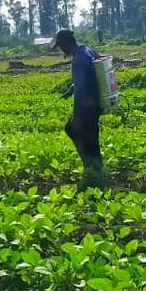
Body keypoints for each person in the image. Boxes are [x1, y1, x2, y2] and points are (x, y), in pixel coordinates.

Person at [52, 29, 104, 184]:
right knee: (91, 134)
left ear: (67, 42)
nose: (61, 50)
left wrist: (76, 115)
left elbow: (81, 89)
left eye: (61, 46)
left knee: (73, 129)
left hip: (87, 104)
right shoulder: (87, 50)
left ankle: (90, 165)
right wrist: (71, 89)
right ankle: (96, 166)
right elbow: (87, 76)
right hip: (95, 102)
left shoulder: (78, 59)